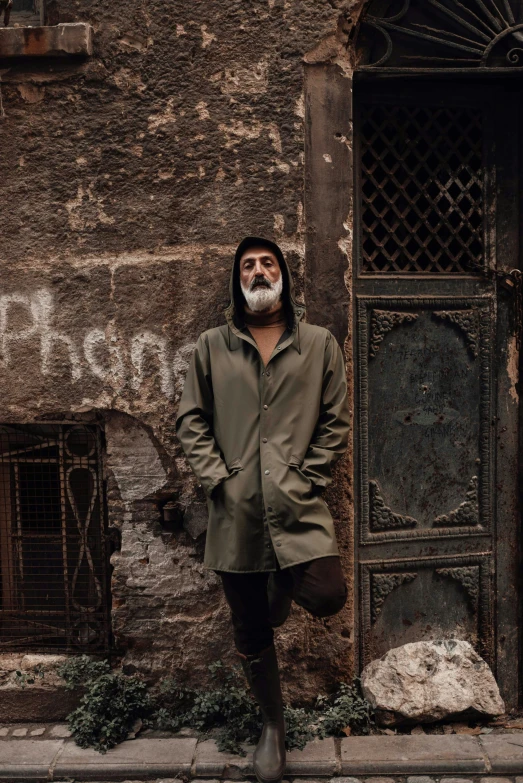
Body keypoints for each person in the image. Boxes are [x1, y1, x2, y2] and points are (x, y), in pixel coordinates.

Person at [176, 237, 350, 783]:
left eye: (267, 263)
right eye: (247, 265)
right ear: (237, 279)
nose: (257, 271)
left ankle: (281, 593)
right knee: (250, 629)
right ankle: (272, 729)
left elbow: (336, 421)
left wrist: (310, 475)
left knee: (326, 594)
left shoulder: (319, 344)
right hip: (236, 510)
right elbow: (191, 420)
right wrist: (216, 480)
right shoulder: (212, 346)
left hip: (297, 503)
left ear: (283, 277)